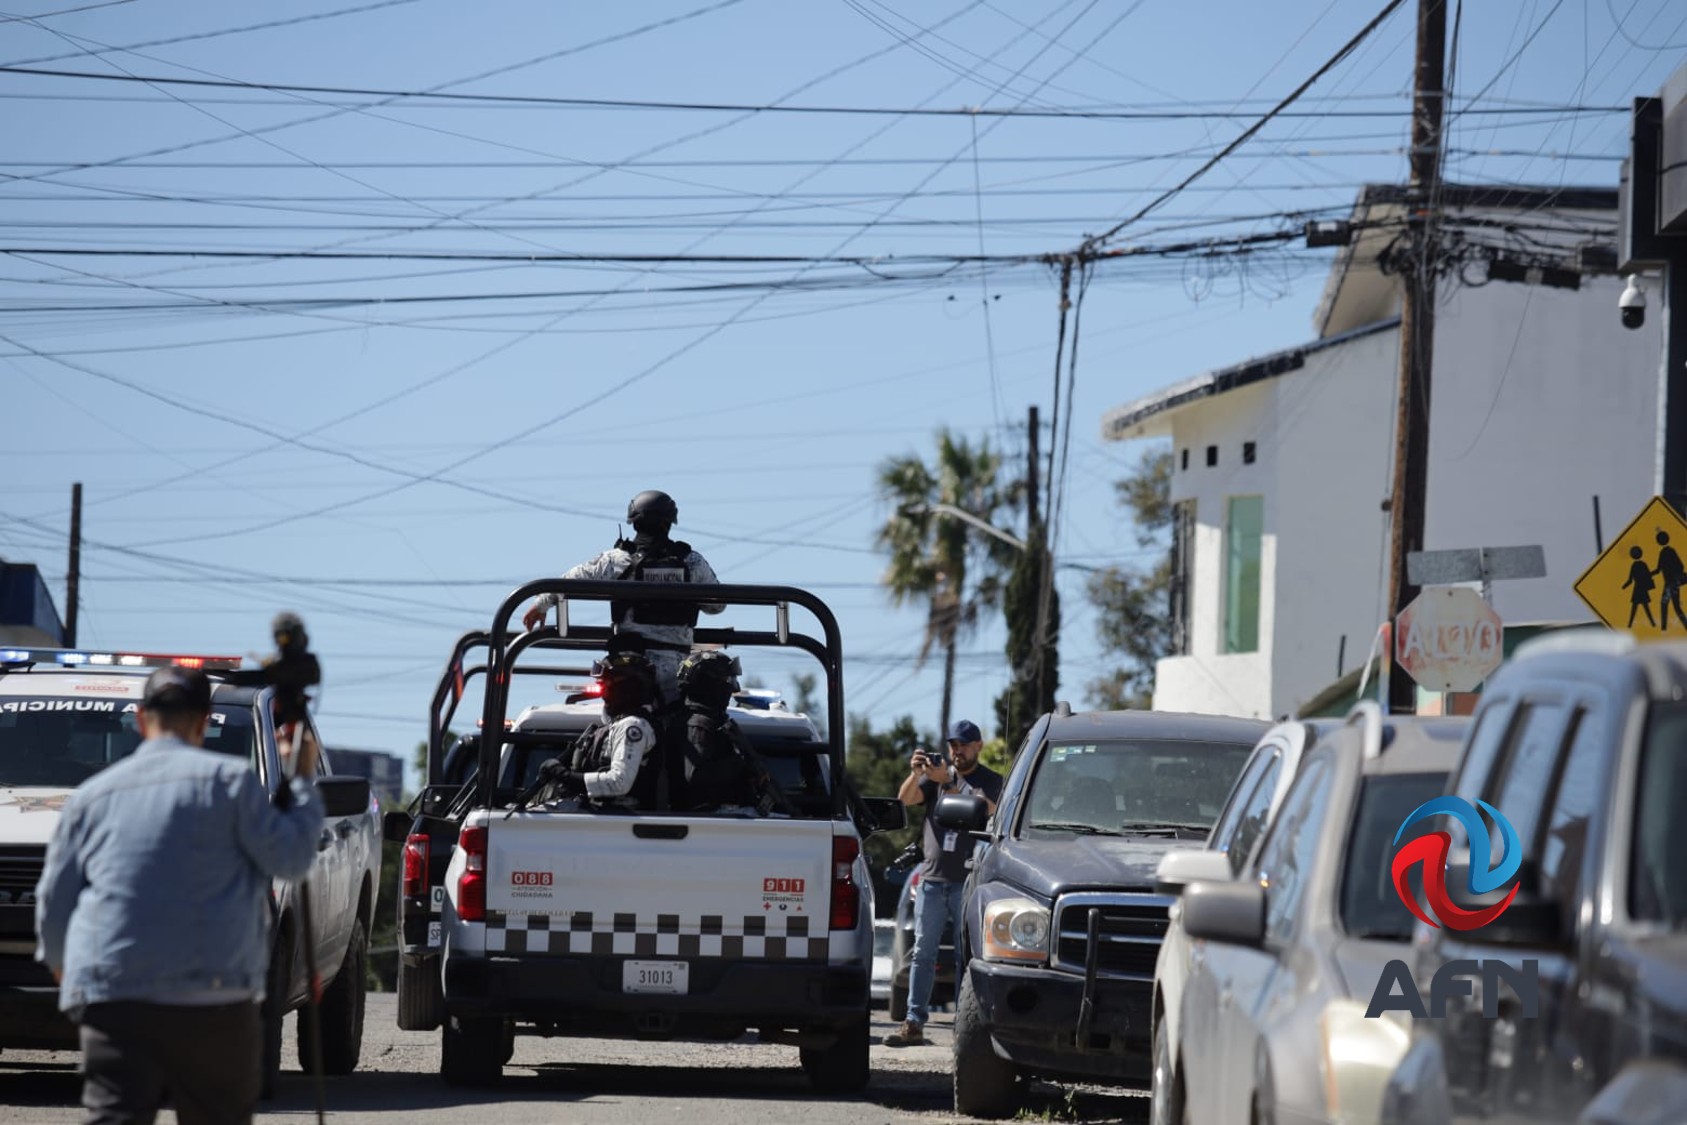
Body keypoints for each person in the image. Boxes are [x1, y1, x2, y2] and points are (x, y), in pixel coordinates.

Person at [35, 666, 324, 1125]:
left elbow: (54, 903)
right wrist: (303, 784)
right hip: (214, 999)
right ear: (205, 720)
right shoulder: (232, 785)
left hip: (114, 994)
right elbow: (290, 860)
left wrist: (63, 968)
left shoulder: (91, 797)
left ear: (139, 718)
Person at [522, 490, 723, 702]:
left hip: (629, 673)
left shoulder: (615, 560)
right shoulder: (692, 562)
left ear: (634, 522)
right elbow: (717, 606)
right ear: (669, 522)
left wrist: (541, 604)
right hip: (678, 672)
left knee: (616, 725)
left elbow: (570, 581)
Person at [884, 718, 1004, 1048]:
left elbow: (991, 813)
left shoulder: (989, 782)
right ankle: (913, 1022)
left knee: (967, 956)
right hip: (932, 880)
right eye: (953, 745)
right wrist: (917, 773)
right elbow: (905, 799)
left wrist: (950, 783)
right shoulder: (935, 779)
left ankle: (966, 1029)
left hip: (969, 881)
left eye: (964, 745)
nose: (957, 751)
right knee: (923, 953)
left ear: (978, 746)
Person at [671, 650, 783, 814]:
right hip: (706, 816)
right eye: (727, 679)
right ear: (708, 682)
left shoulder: (714, 721)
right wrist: (740, 764)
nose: (731, 687)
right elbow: (695, 776)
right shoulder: (699, 723)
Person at [544, 652, 662, 806]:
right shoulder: (617, 724)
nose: (602, 691)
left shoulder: (633, 726)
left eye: (605, 683)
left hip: (619, 820)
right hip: (606, 819)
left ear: (625, 687)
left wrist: (564, 775)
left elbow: (618, 783)